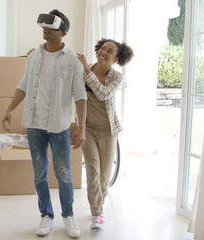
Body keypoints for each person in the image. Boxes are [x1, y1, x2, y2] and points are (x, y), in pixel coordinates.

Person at [1, 9, 87, 239]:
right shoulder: (33, 57)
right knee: (39, 174)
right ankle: (46, 216)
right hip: (34, 125)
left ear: (63, 32)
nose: (45, 30)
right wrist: (9, 109)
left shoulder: (72, 60)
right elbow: (23, 85)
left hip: (59, 126)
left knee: (64, 174)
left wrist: (81, 126)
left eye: (51, 27)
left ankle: (68, 216)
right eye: (44, 27)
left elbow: (80, 95)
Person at [77, 39, 134, 230]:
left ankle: (99, 206)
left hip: (109, 131)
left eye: (109, 51)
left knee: (104, 176)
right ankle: (97, 213)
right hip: (87, 129)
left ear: (116, 58)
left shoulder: (116, 77)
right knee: (92, 171)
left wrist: (86, 69)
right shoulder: (83, 71)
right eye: (102, 48)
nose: (103, 52)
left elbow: (102, 94)